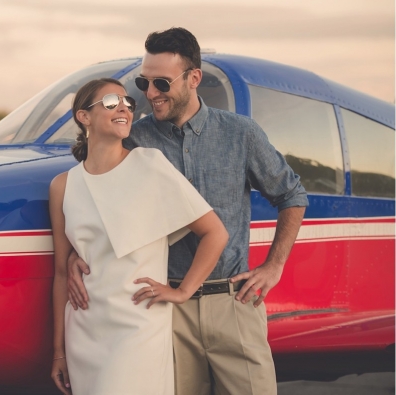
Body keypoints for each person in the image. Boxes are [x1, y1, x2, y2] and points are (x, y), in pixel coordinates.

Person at [67, 28, 309, 395]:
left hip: (234, 303)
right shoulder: (134, 139)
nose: (150, 94)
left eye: (161, 83)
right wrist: (75, 254)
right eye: (143, 83)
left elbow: (291, 194)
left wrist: (274, 266)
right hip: (166, 312)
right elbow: (96, 193)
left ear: (194, 78)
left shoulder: (240, 133)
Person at [49, 78, 229, 395]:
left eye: (127, 103)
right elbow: (62, 272)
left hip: (138, 326)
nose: (123, 108)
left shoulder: (150, 165)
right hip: (84, 331)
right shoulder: (63, 186)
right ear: (84, 117)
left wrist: (183, 291)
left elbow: (215, 232)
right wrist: (59, 352)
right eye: (110, 102)